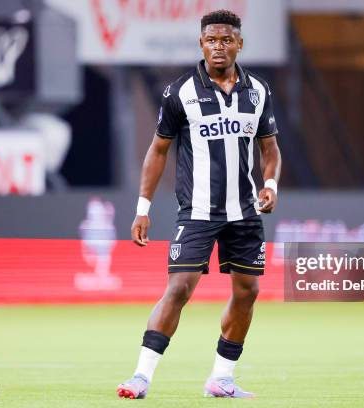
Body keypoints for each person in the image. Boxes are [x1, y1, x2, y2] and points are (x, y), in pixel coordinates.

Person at [117, 10, 281, 400]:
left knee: (248, 292)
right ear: (201, 43)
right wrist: (143, 207)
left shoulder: (258, 91)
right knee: (179, 289)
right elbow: (158, 150)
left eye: (226, 40)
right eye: (211, 40)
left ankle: (221, 378)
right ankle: (141, 377)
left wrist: (270, 184)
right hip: (197, 212)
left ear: (239, 44)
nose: (218, 47)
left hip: (244, 212)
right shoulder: (180, 92)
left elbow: (269, 148)